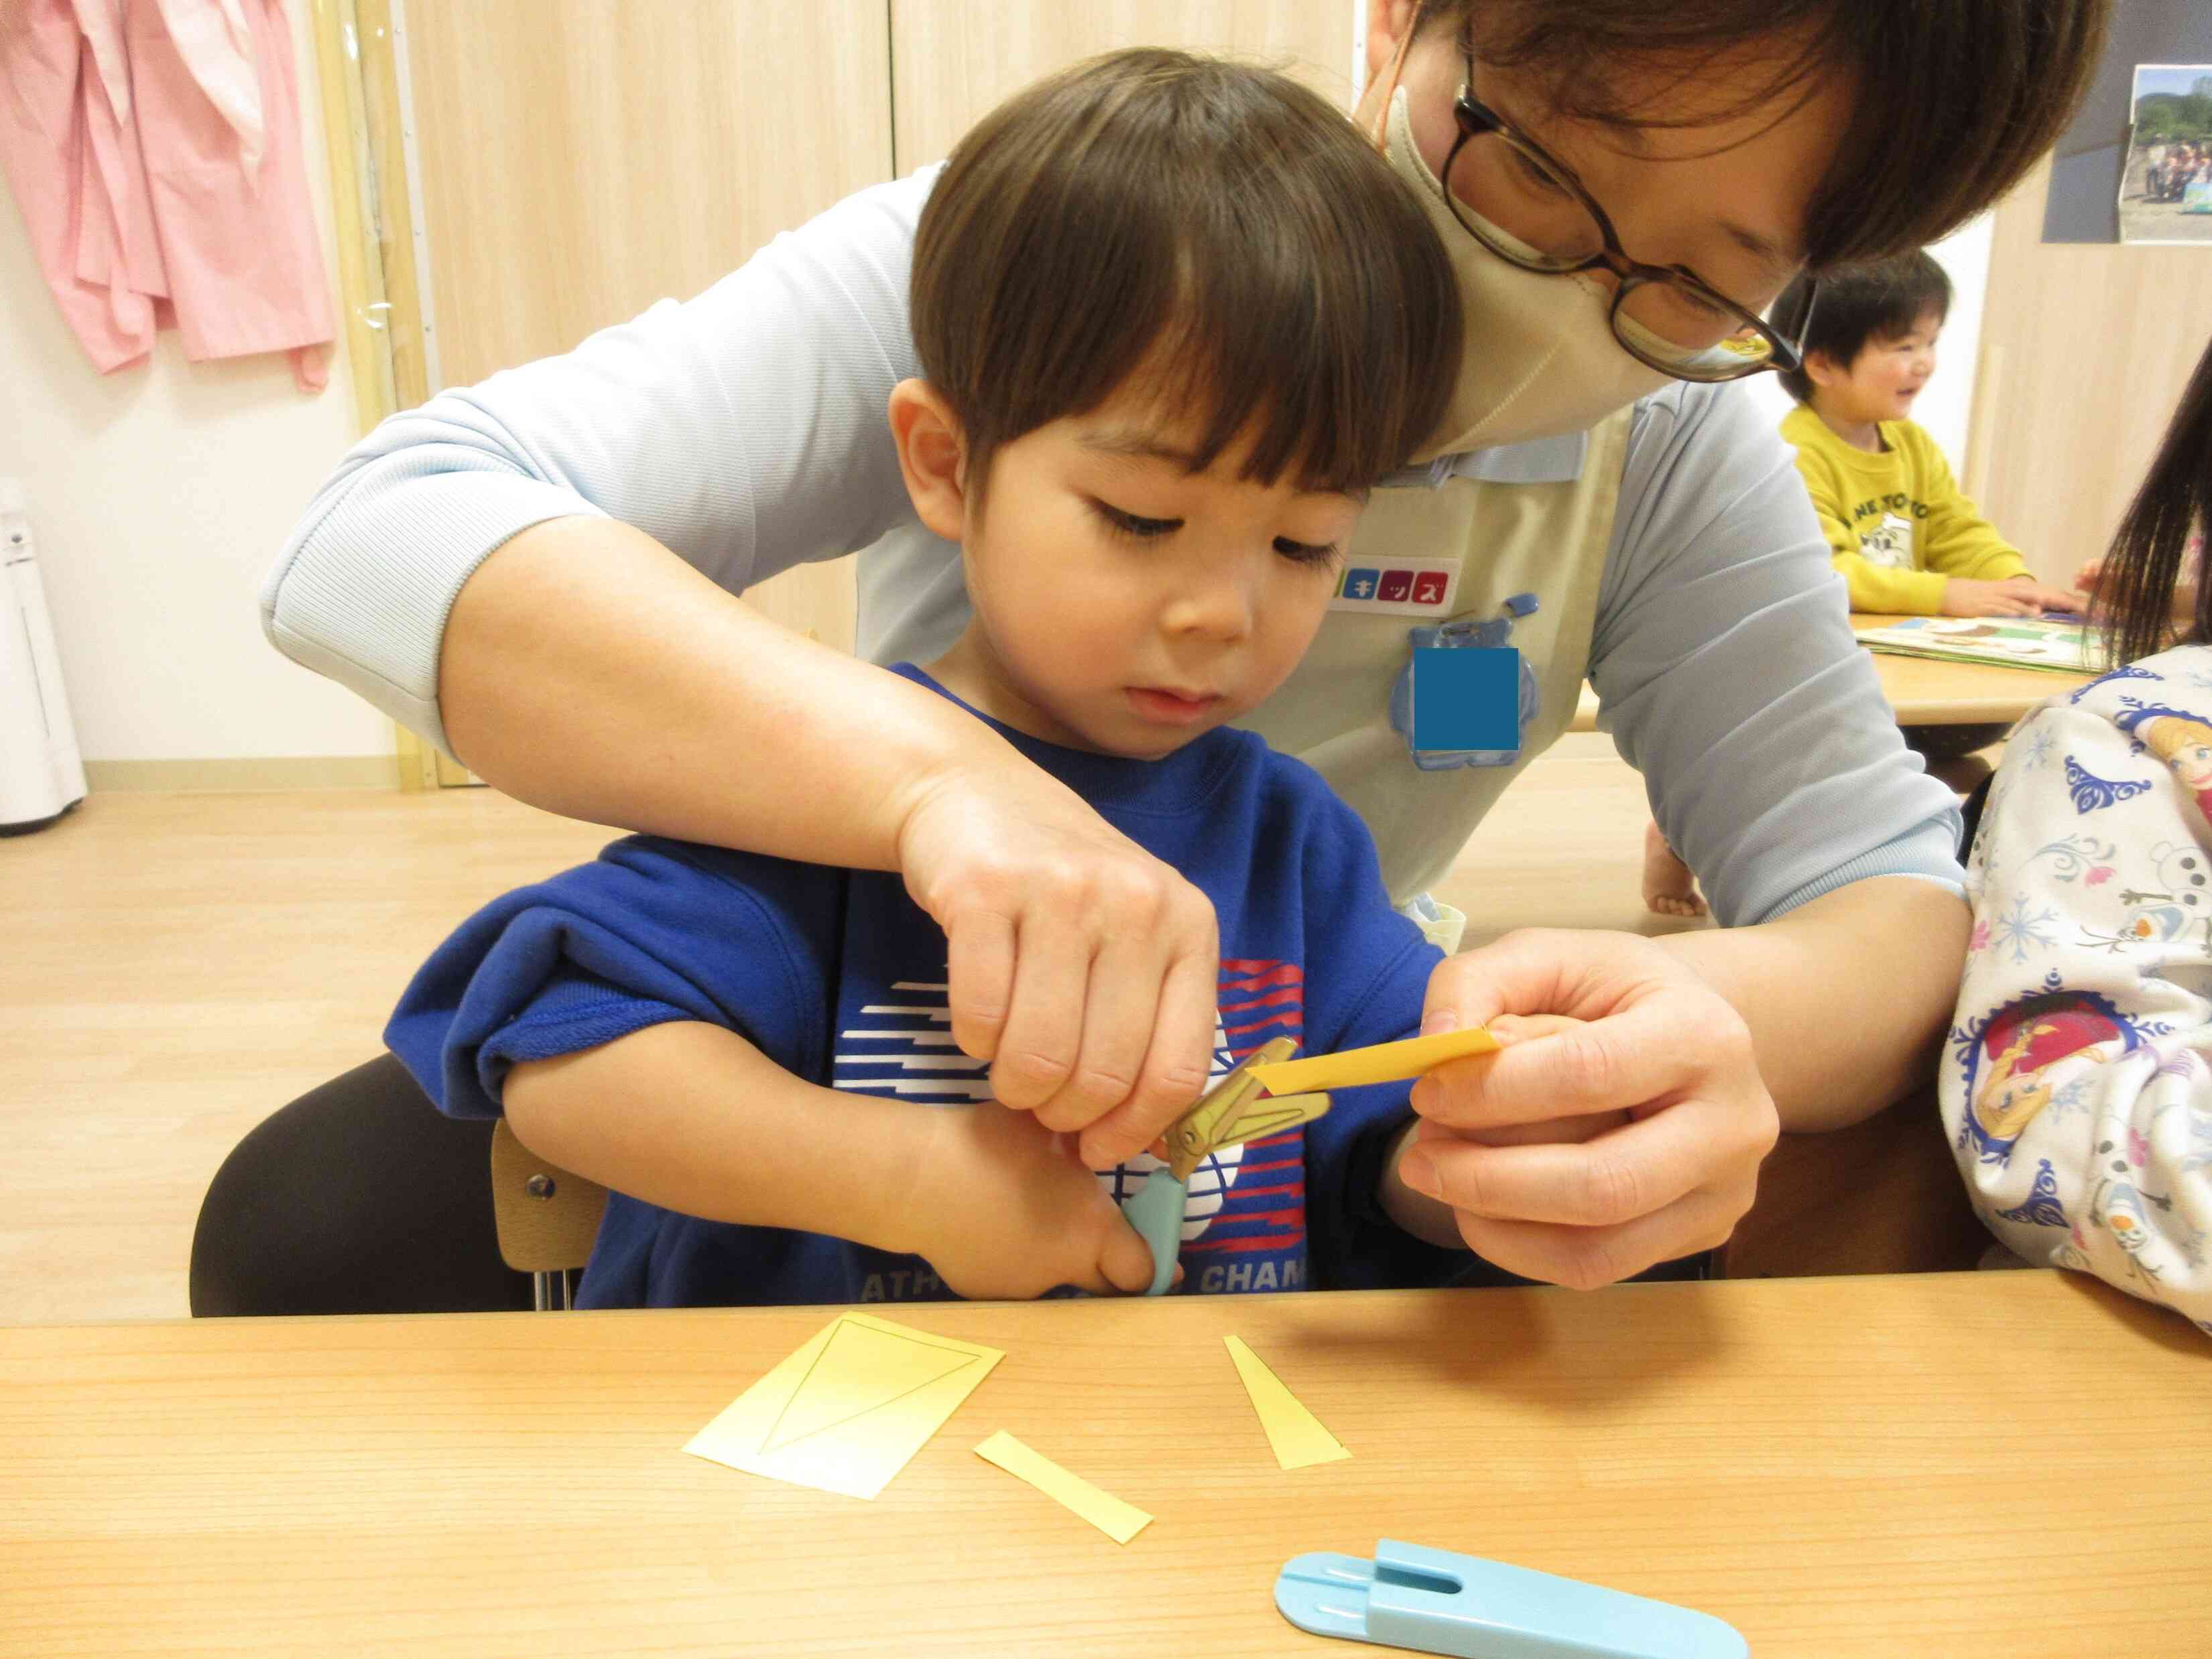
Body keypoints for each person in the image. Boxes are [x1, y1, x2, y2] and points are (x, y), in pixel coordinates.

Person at [199, 0, 2110, 1317]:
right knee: (316, 1224)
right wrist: (943, 794)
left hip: (1218, 1216)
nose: (1218, 611)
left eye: (1698, 283)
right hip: (854, 1090)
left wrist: (1621, 1055)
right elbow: (382, 540)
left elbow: (1876, 897)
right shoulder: (1045, 253)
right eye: (1545, 168)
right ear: (1403, 23)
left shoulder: (1642, 470)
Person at [380, 50, 1501, 1306]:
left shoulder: (1293, 845)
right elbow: (557, 1054)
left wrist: (1481, 1152)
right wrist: (906, 1177)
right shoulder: (828, 802)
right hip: (812, 1430)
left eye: (1304, 545)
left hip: (1188, 1427)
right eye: (1140, 519)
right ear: (946, 465)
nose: (1222, 616)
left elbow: (1383, 1148)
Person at [1943, 330, 2212, 1337]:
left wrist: (2003, 578)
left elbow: (1963, 534)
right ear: (1826, 364)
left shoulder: (1906, 450)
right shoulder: (1814, 448)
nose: (1916, 368)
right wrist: (1937, 592)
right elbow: (1837, 560)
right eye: (1896, 347)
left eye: (1925, 348)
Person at [1773, 253, 2078, 620]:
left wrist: (2016, 584)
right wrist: (1944, 595)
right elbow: (1825, 571)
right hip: (1841, 635)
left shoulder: (1911, 442)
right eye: (1905, 347)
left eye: (1930, 343)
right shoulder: (1794, 454)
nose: (1925, 364)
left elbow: (1956, 531)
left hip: (1899, 632)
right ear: (1823, 365)